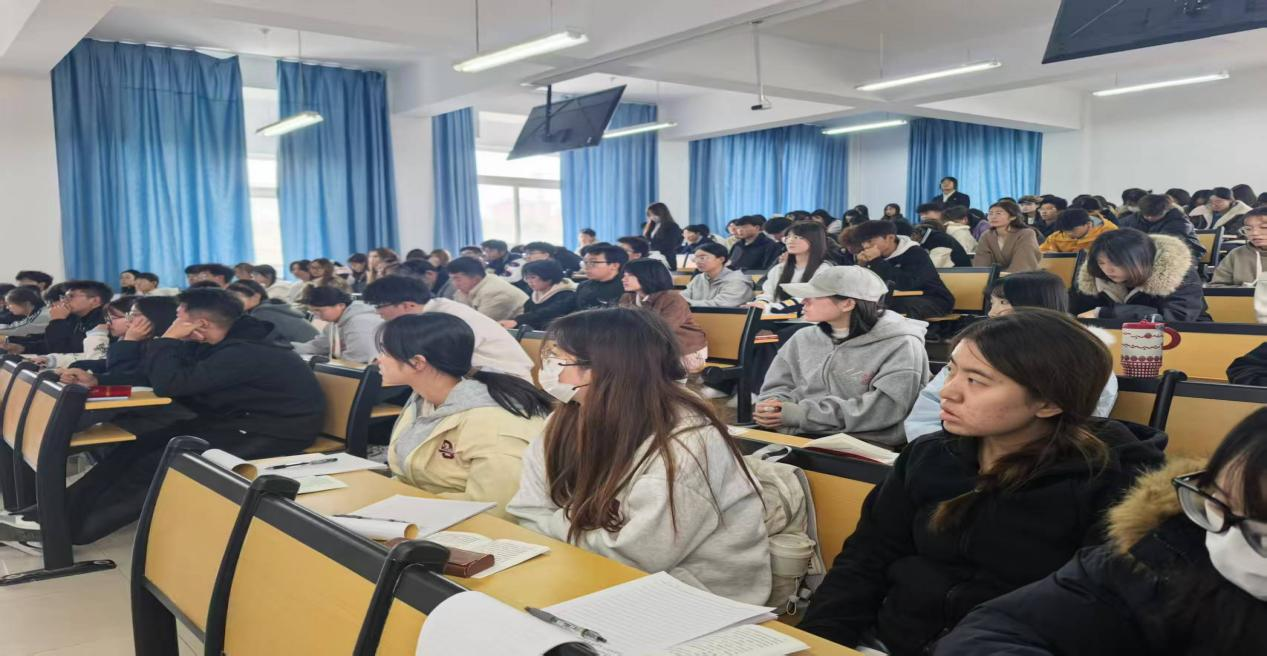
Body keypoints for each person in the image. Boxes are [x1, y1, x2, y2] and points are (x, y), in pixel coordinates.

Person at [798, 310, 1167, 655]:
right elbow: (866, 558)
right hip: (889, 641)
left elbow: (1094, 614)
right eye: (952, 371)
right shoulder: (929, 456)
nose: (948, 392)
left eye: (976, 381)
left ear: (1048, 402)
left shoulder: (1116, 483)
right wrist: (821, 642)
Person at [937, 408, 1267, 655]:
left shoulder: (1095, 478)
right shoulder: (1165, 550)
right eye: (1219, 503)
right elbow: (1001, 628)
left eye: (1262, 533)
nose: (1229, 540)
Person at [506, 308, 771, 604]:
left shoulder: (689, 443)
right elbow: (528, 510)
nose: (547, 371)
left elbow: (641, 555)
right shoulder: (565, 418)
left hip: (697, 595)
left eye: (559, 361)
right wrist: (569, 530)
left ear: (604, 369)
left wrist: (556, 524)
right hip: (589, 567)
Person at [43, 288, 326, 544]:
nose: (174, 323)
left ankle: (70, 533)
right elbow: (155, 375)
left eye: (179, 317)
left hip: (276, 430)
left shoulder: (247, 350)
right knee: (137, 446)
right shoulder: (218, 341)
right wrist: (98, 380)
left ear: (201, 323)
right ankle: (53, 513)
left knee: (164, 461)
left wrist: (168, 340)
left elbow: (172, 384)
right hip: (236, 420)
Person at [904, 272, 1120, 440]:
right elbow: (926, 413)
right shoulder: (974, 352)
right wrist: (941, 452)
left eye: (1004, 303)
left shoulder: (1081, 362)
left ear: (1038, 305)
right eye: (992, 303)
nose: (992, 313)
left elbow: (1079, 430)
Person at [379, 313, 553, 519]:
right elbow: (405, 474)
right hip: (423, 513)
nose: (378, 359)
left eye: (385, 352)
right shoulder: (422, 399)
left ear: (418, 362)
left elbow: (497, 507)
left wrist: (410, 507)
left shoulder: (493, 420)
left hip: (472, 525)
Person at [755, 266, 928, 444]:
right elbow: (778, 384)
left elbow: (886, 409)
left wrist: (802, 414)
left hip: (864, 442)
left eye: (815, 295)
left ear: (847, 304)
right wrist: (772, 406)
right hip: (797, 434)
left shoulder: (901, 344)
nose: (804, 301)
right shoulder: (803, 337)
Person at [363, 276, 533, 381]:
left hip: (501, 382)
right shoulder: (429, 313)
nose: (378, 312)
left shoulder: (447, 318)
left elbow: (436, 364)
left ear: (408, 305)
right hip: (468, 379)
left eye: (379, 306)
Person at [1074, 229, 1209, 322]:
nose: (1108, 270)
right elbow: (1076, 310)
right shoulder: (1095, 277)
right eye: (1101, 263)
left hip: (1185, 339)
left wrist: (1106, 313)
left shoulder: (1177, 274)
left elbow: (1176, 319)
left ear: (1139, 259)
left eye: (1116, 263)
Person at [59, 295, 180, 388]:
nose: (129, 321)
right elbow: (110, 366)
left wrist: (129, 341)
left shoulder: (169, 347)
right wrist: (85, 372)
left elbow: (124, 376)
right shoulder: (144, 342)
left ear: (156, 317)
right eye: (129, 315)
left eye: (134, 315)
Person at [852, 220, 954, 319]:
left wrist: (876, 262)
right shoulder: (875, 257)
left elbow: (907, 284)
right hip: (898, 299)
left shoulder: (915, 253)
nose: (865, 246)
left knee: (889, 307)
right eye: (863, 242)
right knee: (855, 304)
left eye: (869, 241)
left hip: (934, 299)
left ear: (890, 238)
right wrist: (861, 266)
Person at [619, 259, 708, 373]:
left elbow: (662, 331)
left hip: (684, 351)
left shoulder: (672, 299)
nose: (623, 279)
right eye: (624, 275)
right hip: (649, 350)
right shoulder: (627, 298)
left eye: (630, 275)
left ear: (648, 276)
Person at [5, 280, 111, 356]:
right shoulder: (76, 318)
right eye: (64, 297)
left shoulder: (104, 322)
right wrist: (23, 348)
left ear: (95, 301)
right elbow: (52, 344)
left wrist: (57, 320)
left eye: (71, 296)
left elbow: (63, 350)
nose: (64, 301)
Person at [292, 286, 383, 363]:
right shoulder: (335, 322)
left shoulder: (359, 323)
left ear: (341, 305)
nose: (316, 315)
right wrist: (287, 347)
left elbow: (360, 359)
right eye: (313, 311)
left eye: (319, 310)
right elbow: (317, 346)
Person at [756, 221, 833, 304]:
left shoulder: (824, 270)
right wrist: (761, 303)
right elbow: (768, 294)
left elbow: (807, 300)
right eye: (788, 237)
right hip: (775, 311)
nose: (790, 241)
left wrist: (774, 307)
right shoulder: (779, 269)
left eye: (797, 237)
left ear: (815, 240)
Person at [226, 280, 319, 344]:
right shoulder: (270, 308)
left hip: (308, 354)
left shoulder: (262, 314)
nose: (232, 302)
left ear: (256, 297)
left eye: (236, 297)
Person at [1118, 193, 1206, 259]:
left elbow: (1166, 244)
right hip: (1143, 255)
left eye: (1155, 215)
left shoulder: (1180, 221)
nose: (1150, 218)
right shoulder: (1131, 219)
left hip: (1181, 255)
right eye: (1147, 215)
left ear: (1167, 210)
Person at [498, 260, 576, 330]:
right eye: (526, 278)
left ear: (549, 277)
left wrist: (517, 321)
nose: (529, 281)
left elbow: (547, 313)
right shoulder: (534, 293)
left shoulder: (566, 294)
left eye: (533, 277)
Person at [448, 256, 528, 321]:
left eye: (457, 279)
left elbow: (481, 324)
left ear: (476, 278)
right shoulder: (464, 290)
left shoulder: (497, 292)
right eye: (452, 279)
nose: (454, 283)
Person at [973, 200, 1042, 273]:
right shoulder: (987, 235)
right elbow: (981, 263)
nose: (993, 217)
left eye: (998, 213)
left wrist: (1001, 276)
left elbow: (1023, 264)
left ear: (1013, 217)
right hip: (995, 277)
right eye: (990, 213)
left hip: (1023, 277)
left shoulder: (1026, 234)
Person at [682, 243, 755, 307]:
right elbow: (683, 297)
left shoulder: (737, 280)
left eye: (702, 258)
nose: (697, 261)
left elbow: (720, 304)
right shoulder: (698, 278)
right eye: (695, 258)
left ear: (721, 259)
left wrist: (687, 303)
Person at [1212, 208, 1267, 285]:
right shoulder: (1236, 254)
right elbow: (1217, 286)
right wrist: (1242, 289)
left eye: (1264, 227)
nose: (1254, 233)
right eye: (1248, 229)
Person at [575, 243, 628, 310]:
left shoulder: (627, 288)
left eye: (593, 263)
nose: (586, 267)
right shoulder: (583, 286)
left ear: (614, 266)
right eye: (585, 263)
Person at [1040, 207, 1119, 253]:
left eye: (1073, 230)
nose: (1069, 234)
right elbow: (1042, 252)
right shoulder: (1056, 236)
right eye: (1065, 231)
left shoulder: (1109, 232)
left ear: (1088, 224)